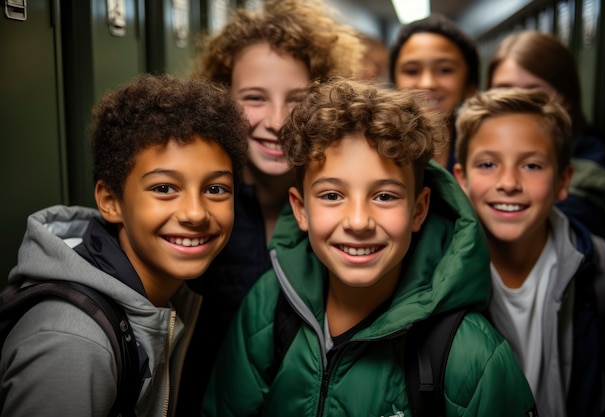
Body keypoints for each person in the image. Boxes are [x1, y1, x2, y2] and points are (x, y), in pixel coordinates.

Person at [202, 77, 537, 417]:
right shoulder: (268, 306)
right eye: (332, 195)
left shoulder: (471, 355)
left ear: (418, 210)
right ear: (301, 209)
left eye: (385, 196)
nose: (359, 221)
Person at [0, 74, 248, 417]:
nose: (195, 213)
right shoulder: (74, 342)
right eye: (164, 188)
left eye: (216, 189)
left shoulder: (169, 296)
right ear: (111, 200)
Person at [178, 1, 365, 414]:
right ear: (222, 100)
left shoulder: (348, 215)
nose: (278, 121)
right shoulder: (194, 209)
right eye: (254, 98)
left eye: (298, 98)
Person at [453, 87, 605, 417]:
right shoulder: (436, 276)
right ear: (462, 179)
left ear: (563, 181)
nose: (508, 182)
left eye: (531, 166)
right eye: (488, 164)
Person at [487, 30, 605, 245]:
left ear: (566, 101)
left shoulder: (587, 191)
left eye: (535, 94)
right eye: (504, 92)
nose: (518, 105)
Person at [389, 12, 479, 172]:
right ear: (395, 84)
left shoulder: (482, 151)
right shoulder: (376, 152)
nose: (427, 83)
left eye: (445, 70)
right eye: (412, 71)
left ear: (470, 86)